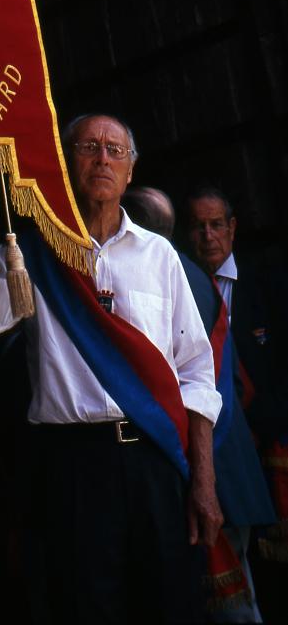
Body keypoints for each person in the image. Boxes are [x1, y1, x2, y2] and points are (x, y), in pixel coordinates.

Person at [0, 113, 223, 624]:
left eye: (115, 150)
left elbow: (196, 373)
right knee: (85, 607)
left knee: (170, 604)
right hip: (72, 468)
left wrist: (204, 481)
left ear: (130, 172)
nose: (102, 158)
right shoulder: (31, 256)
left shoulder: (160, 257)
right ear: (64, 162)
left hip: (153, 462)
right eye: (89, 146)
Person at [123, 186, 275, 623]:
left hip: (206, 465)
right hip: (224, 462)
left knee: (229, 607)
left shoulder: (167, 278)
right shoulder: (195, 278)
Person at [186, 185, 288, 621]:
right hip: (222, 454)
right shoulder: (184, 289)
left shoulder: (266, 284)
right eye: (198, 227)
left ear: (232, 228)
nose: (208, 235)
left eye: (216, 225)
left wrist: (258, 424)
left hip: (272, 444)